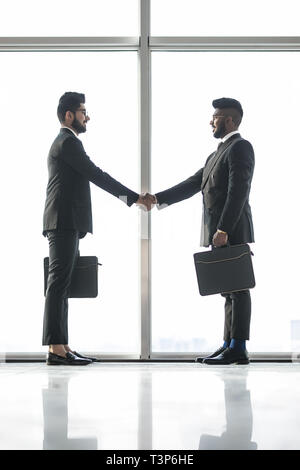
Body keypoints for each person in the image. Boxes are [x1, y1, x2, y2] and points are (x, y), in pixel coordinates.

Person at [42, 92, 155, 366]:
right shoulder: (68, 143)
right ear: (69, 115)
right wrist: (135, 198)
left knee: (63, 284)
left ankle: (62, 346)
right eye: (82, 111)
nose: (86, 116)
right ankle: (56, 349)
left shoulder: (67, 142)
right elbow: (96, 174)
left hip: (66, 221)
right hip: (62, 221)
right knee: (58, 283)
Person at [153, 98, 255, 365]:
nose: (211, 121)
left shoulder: (241, 147)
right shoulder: (216, 154)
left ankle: (239, 348)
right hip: (218, 231)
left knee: (239, 288)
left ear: (230, 120)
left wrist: (223, 228)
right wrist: (157, 199)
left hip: (230, 229)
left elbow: (238, 192)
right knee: (227, 289)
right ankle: (228, 344)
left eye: (216, 117)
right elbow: (193, 183)